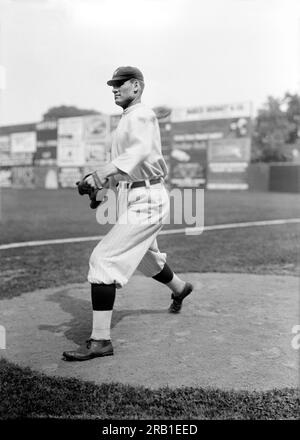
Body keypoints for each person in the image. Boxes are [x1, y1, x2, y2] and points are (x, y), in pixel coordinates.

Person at [63, 66, 193, 362]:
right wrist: (101, 191)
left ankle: (101, 341)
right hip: (131, 194)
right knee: (147, 257)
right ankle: (181, 288)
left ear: (136, 86)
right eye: (113, 85)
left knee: (104, 259)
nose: (114, 89)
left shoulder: (142, 115)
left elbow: (138, 152)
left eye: (120, 84)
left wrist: (102, 172)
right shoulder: (128, 120)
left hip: (148, 197)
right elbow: (123, 167)